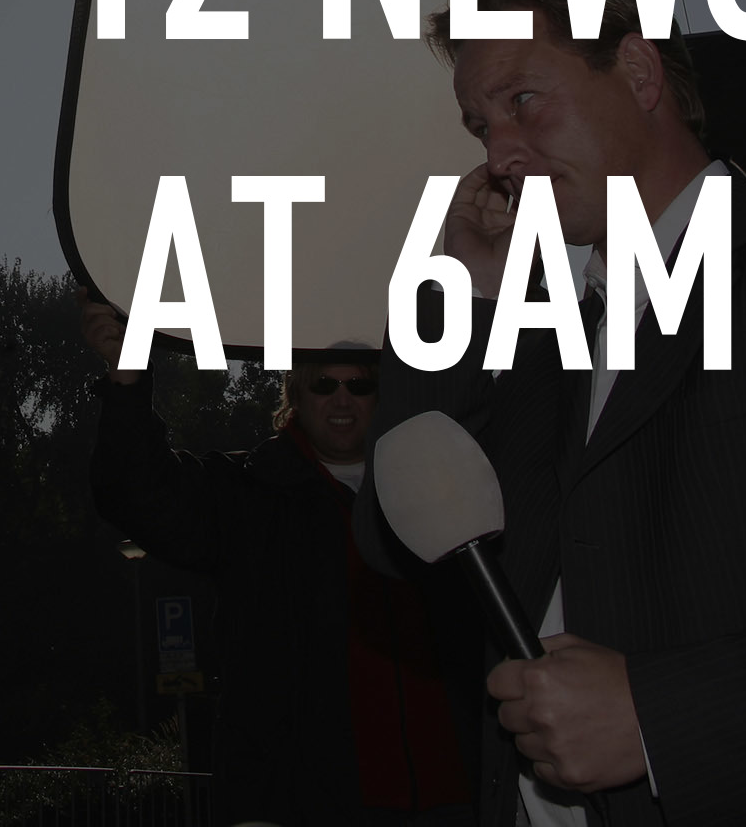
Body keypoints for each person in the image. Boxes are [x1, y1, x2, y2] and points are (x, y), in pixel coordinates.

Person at [354, 0, 746, 827]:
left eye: (523, 100)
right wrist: (466, 296)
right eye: (481, 125)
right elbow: (397, 543)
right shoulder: (542, 345)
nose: (498, 154)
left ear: (640, 73)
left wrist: (658, 720)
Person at [84, 296, 478, 827]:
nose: (342, 399)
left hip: (451, 796)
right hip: (301, 803)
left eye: (360, 385)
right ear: (296, 394)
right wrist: (127, 377)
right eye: (324, 384)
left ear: (383, 396)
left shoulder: (440, 491)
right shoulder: (250, 495)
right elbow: (137, 494)